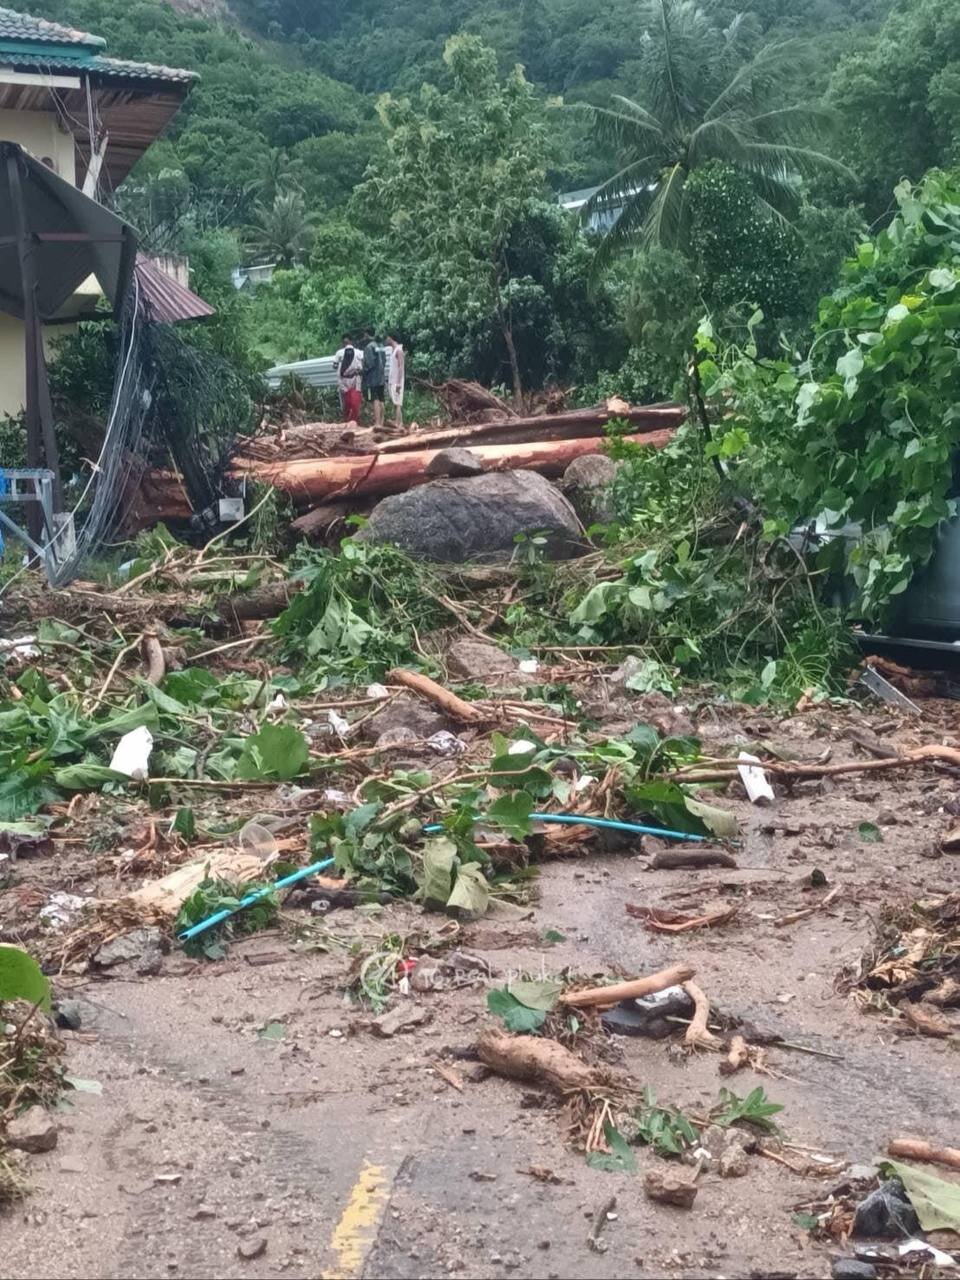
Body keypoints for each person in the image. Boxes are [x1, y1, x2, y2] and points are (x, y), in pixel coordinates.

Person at [333, 334, 362, 422]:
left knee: (346, 402)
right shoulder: (359, 352)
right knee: (354, 401)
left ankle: (347, 420)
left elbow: (334, 366)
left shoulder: (339, 353)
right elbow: (362, 367)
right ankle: (353, 420)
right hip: (355, 379)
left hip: (343, 379)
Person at [361, 331, 386, 428]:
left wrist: (363, 370)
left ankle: (377, 423)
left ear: (366, 334)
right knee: (381, 399)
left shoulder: (369, 347)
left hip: (373, 377)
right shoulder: (381, 346)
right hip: (381, 376)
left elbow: (369, 364)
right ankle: (382, 422)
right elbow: (384, 361)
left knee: (375, 399)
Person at [385, 334, 406, 430]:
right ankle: (399, 422)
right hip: (392, 380)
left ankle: (399, 424)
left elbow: (401, 367)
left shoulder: (399, 351)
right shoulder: (393, 351)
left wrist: (398, 383)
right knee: (395, 403)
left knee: (398, 403)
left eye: (387, 337)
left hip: (397, 381)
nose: (386, 339)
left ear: (391, 338)